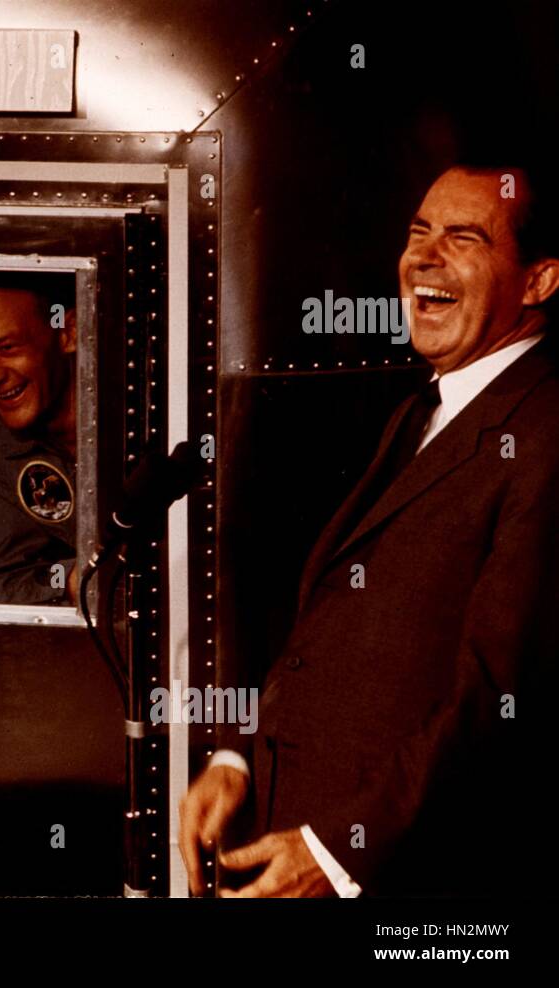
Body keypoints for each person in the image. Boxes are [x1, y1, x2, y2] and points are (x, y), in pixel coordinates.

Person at [180, 163, 559, 897]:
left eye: (464, 238)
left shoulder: (544, 435)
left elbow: (500, 697)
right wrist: (239, 761)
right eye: (419, 232)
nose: (424, 256)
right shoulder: (422, 411)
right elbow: (335, 634)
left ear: (540, 280)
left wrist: (341, 850)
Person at [0, 281, 80, 604]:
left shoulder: (140, 415)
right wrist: (70, 578)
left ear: (68, 333)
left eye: (6, 348)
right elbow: (5, 577)